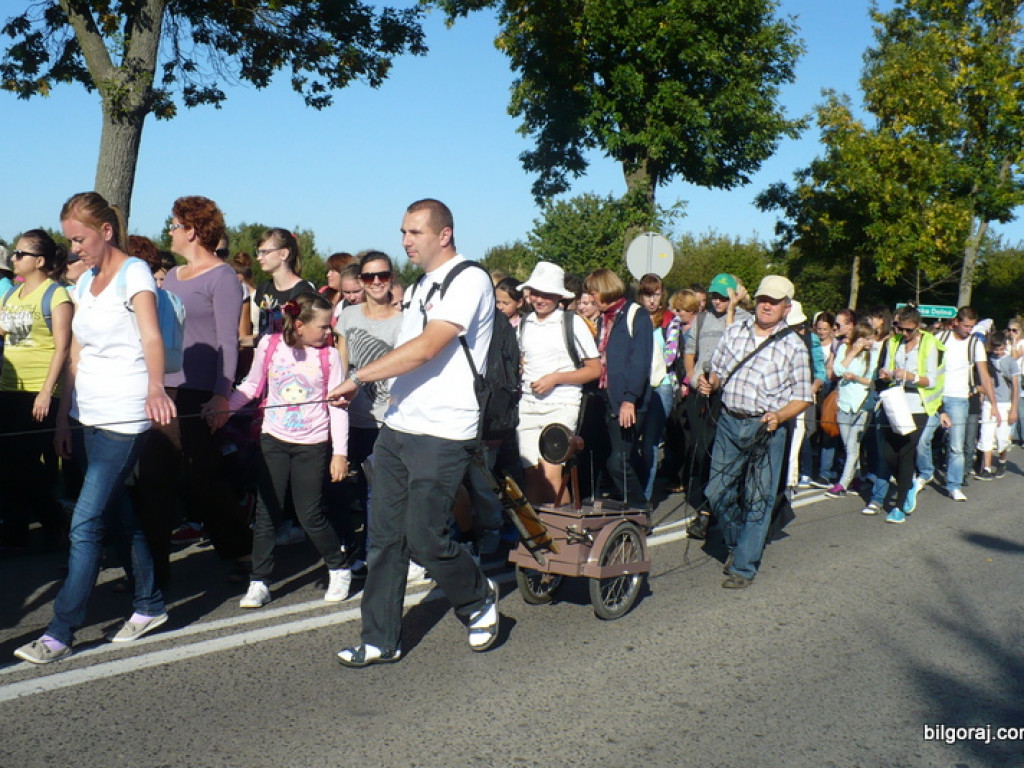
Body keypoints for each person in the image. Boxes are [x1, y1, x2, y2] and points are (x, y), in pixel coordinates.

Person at [329, 199, 499, 667]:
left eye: (415, 232)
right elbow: (405, 349)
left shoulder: (469, 279)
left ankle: (477, 598)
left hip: (444, 429)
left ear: (444, 234)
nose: (405, 241)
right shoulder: (422, 285)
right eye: (403, 232)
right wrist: (371, 392)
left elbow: (426, 348)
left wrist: (358, 377)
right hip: (398, 424)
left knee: (425, 537)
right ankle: (379, 639)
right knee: (384, 539)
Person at [14, 191, 176, 664]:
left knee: (84, 524)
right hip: (87, 414)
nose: (74, 249)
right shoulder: (84, 282)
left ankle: (60, 632)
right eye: (69, 241)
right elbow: (76, 352)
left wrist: (155, 387)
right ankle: (150, 604)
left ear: (106, 231)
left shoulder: (135, 274)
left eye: (80, 239)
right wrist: (64, 416)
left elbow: (151, 335)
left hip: (125, 414)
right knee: (119, 513)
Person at [135, 196, 249, 589]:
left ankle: (242, 549)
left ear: (193, 231)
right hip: (164, 387)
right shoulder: (171, 276)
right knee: (155, 477)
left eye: (175, 225)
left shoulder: (223, 277)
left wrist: (221, 395)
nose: (169, 231)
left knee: (203, 480)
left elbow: (228, 341)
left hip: (199, 393)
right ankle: (152, 575)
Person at [213, 292, 352, 607]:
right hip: (273, 439)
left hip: (312, 444)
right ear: (300, 325)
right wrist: (224, 410)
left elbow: (338, 407)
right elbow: (251, 386)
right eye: (324, 326)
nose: (329, 332)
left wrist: (339, 453)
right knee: (266, 513)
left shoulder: (329, 356)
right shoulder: (270, 344)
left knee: (309, 514)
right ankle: (259, 581)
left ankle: (338, 567)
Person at [699, 275, 812, 588]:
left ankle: (743, 566)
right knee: (715, 492)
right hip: (729, 422)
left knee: (758, 498)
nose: (767, 306)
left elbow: (803, 397)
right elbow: (718, 372)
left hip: (766, 428)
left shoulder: (794, 346)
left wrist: (780, 415)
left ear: (786, 307)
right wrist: (709, 383)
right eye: (763, 299)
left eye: (774, 302)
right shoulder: (735, 331)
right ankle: (738, 542)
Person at [0, 230, 73, 551]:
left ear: (40, 261)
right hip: (8, 388)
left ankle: (53, 520)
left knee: (24, 461)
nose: (14, 258)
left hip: (39, 390)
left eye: (20, 254)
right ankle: (17, 529)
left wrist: (46, 392)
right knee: (8, 461)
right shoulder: (10, 295)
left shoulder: (55, 295)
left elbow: (63, 348)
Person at [334, 250, 404, 559]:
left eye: (383, 275)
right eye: (369, 276)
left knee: (376, 491)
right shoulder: (348, 316)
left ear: (392, 278)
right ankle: (352, 546)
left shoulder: (404, 322)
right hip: (349, 416)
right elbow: (340, 363)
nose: (376, 282)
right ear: (361, 281)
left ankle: (374, 552)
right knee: (346, 488)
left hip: (383, 419)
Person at [516, 261, 600, 504]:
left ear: (558, 296)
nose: (539, 299)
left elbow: (594, 369)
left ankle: (562, 527)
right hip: (527, 406)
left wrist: (555, 379)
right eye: (536, 292)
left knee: (552, 476)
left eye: (547, 294)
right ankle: (535, 527)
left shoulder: (572, 323)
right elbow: (523, 359)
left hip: (561, 405)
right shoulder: (525, 323)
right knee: (532, 476)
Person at [682, 273, 750, 539]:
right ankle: (705, 504)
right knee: (700, 451)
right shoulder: (702, 319)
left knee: (720, 453)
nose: (718, 301)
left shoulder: (744, 319)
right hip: (701, 393)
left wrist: (733, 308)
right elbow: (690, 352)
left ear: (734, 295)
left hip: (728, 395)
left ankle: (712, 511)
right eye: (714, 296)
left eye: (723, 296)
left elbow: (736, 347)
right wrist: (693, 378)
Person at [583, 268, 653, 509]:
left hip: (627, 401)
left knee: (619, 461)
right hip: (604, 396)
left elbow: (640, 361)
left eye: (593, 293)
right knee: (601, 456)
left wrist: (629, 399)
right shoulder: (602, 318)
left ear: (604, 290)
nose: (591, 298)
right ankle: (608, 505)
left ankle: (639, 507)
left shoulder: (636, 315)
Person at [920, 307, 999, 502]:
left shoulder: (975, 344)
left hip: (959, 398)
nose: (969, 330)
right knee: (922, 439)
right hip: (936, 396)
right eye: (966, 326)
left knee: (956, 445)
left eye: (972, 326)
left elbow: (984, 375)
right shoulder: (940, 337)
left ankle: (954, 485)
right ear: (956, 322)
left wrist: (994, 405)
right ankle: (926, 471)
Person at [874, 306, 942, 522]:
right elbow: (886, 369)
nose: (903, 333)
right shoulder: (893, 342)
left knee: (905, 454)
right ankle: (909, 483)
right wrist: (885, 374)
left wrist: (911, 376)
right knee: (888, 454)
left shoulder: (929, 344)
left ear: (918, 326)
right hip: (895, 403)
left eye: (908, 330)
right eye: (899, 328)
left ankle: (899, 506)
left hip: (918, 406)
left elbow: (931, 380)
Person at [825, 319, 877, 498]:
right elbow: (838, 371)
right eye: (866, 339)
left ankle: (842, 484)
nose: (870, 342)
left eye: (871, 338)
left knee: (852, 447)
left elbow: (872, 381)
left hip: (861, 405)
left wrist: (855, 378)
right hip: (844, 404)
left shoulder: (873, 355)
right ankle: (857, 477)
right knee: (849, 445)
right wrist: (853, 351)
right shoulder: (845, 349)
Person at [637, 273, 672, 503]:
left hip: (661, 386)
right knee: (631, 445)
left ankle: (645, 500)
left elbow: (671, 355)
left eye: (656, 295)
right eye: (648, 295)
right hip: (636, 386)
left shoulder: (669, 321)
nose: (652, 300)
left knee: (650, 444)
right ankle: (632, 494)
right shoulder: (632, 318)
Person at [976, 330, 1018, 479]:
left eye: (1001, 349)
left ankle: (1002, 460)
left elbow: (1015, 386)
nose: (998, 352)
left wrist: (1014, 409)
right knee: (986, 434)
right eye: (995, 349)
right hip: (989, 402)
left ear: (1005, 346)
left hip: (1005, 403)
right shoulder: (987, 360)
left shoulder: (1010, 362)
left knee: (1002, 437)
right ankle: (986, 468)